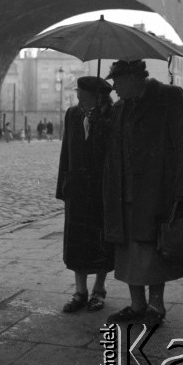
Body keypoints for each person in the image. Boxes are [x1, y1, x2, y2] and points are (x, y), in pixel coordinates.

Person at [102, 60, 183, 329]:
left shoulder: (169, 97)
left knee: (154, 252)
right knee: (128, 252)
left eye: (117, 81)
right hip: (124, 193)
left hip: (157, 191)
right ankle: (137, 305)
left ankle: (156, 305)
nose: (114, 87)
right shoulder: (120, 108)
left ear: (134, 78)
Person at [56, 76, 115, 313]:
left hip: (100, 190)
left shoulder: (109, 116)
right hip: (77, 190)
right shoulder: (72, 114)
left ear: (96, 95)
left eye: (82, 92)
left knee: (100, 240)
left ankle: (98, 290)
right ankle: (79, 291)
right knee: (76, 242)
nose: (78, 95)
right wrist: (63, 186)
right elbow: (66, 152)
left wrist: (99, 121)